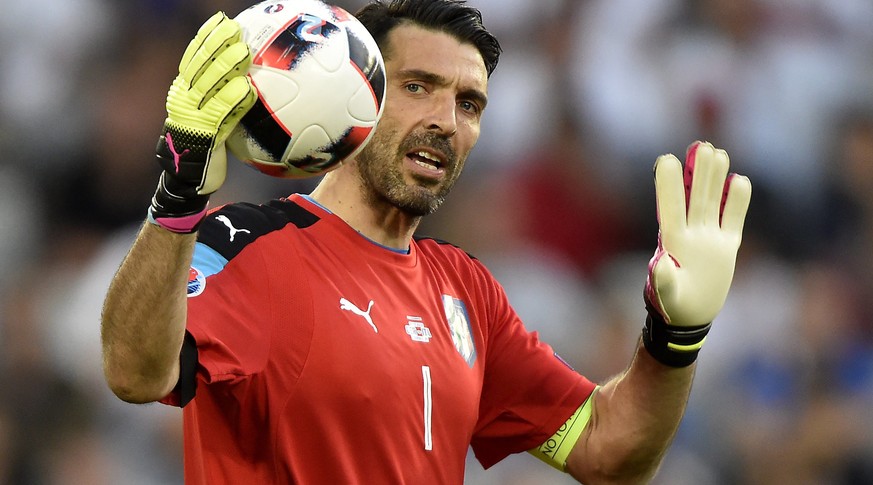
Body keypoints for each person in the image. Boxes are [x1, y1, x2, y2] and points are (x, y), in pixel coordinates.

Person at [100, 0, 752, 483]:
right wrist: (178, 200)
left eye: (470, 105)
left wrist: (674, 336)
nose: (446, 121)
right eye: (417, 88)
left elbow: (611, 452)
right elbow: (133, 372)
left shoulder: (466, 290)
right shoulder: (247, 244)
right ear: (353, 96)